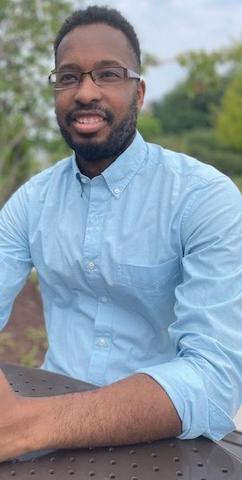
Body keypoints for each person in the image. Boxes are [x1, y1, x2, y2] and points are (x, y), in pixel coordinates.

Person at [0, 5, 241, 462]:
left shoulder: (203, 198)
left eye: (108, 74)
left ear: (140, 92)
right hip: (43, 430)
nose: (85, 91)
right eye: (68, 77)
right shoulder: (32, 202)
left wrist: (30, 425)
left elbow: (215, 378)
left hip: (167, 444)